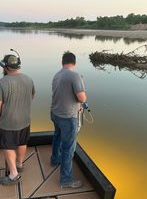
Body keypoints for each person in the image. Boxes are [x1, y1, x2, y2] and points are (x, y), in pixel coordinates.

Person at [0, 51, 35, 185]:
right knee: (22, 142)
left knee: (8, 146)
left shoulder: (1, 82)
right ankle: (20, 164)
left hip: (9, 122)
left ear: (5, 67)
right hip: (25, 119)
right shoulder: (29, 79)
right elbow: (32, 96)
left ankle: (13, 175)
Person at [50, 51, 87, 189]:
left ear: (62, 62)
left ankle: (54, 160)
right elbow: (82, 98)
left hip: (55, 113)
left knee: (57, 137)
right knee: (68, 148)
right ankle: (66, 180)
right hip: (67, 117)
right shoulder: (75, 75)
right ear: (74, 62)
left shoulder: (57, 75)